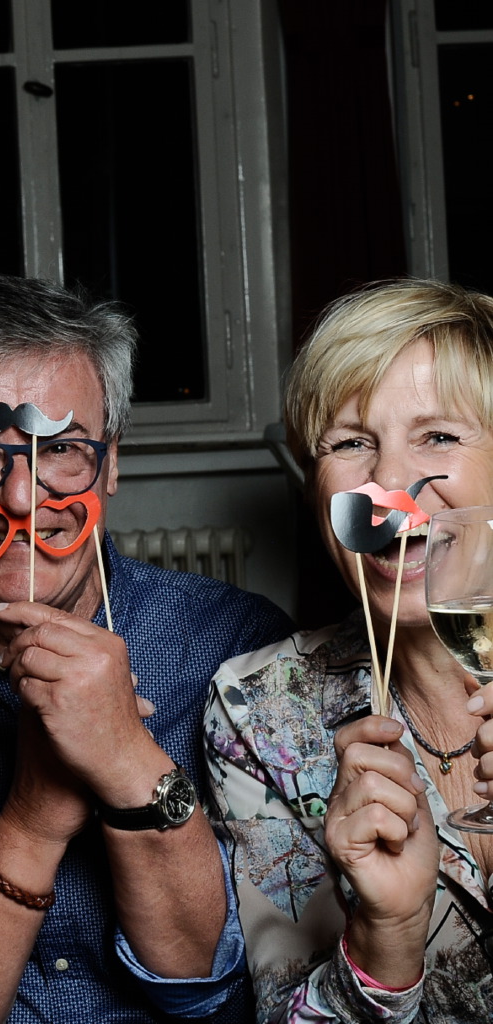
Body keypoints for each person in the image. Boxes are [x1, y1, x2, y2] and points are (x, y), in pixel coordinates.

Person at [0, 274, 294, 1023]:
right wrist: (35, 814)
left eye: (63, 448)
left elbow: (207, 990)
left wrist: (127, 760)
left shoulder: (237, 649)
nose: (19, 498)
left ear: (111, 463)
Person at [203, 279, 493, 1021]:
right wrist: (386, 936)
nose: (388, 482)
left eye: (438, 436)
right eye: (352, 443)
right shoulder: (261, 710)